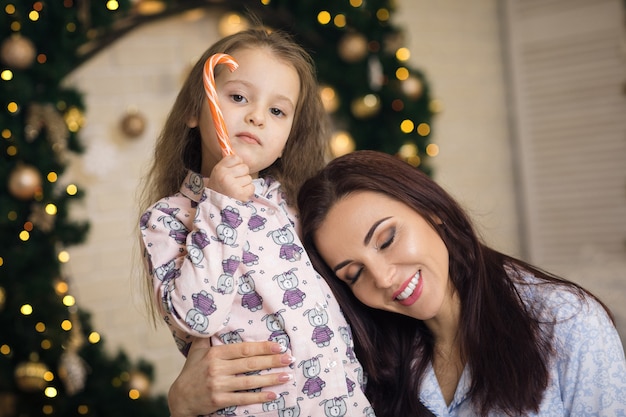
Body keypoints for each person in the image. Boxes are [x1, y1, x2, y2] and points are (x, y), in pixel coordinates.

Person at [138, 28, 373, 417]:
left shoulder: (293, 207)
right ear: (195, 110)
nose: (256, 116)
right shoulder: (167, 220)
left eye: (277, 111)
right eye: (238, 97)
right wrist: (221, 204)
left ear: (288, 136)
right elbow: (199, 316)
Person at [296, 150, 626, 416]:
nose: (383, 278)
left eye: (387, 240)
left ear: (432, 211)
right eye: (354, 274)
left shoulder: (567, 321)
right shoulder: (369, 356)